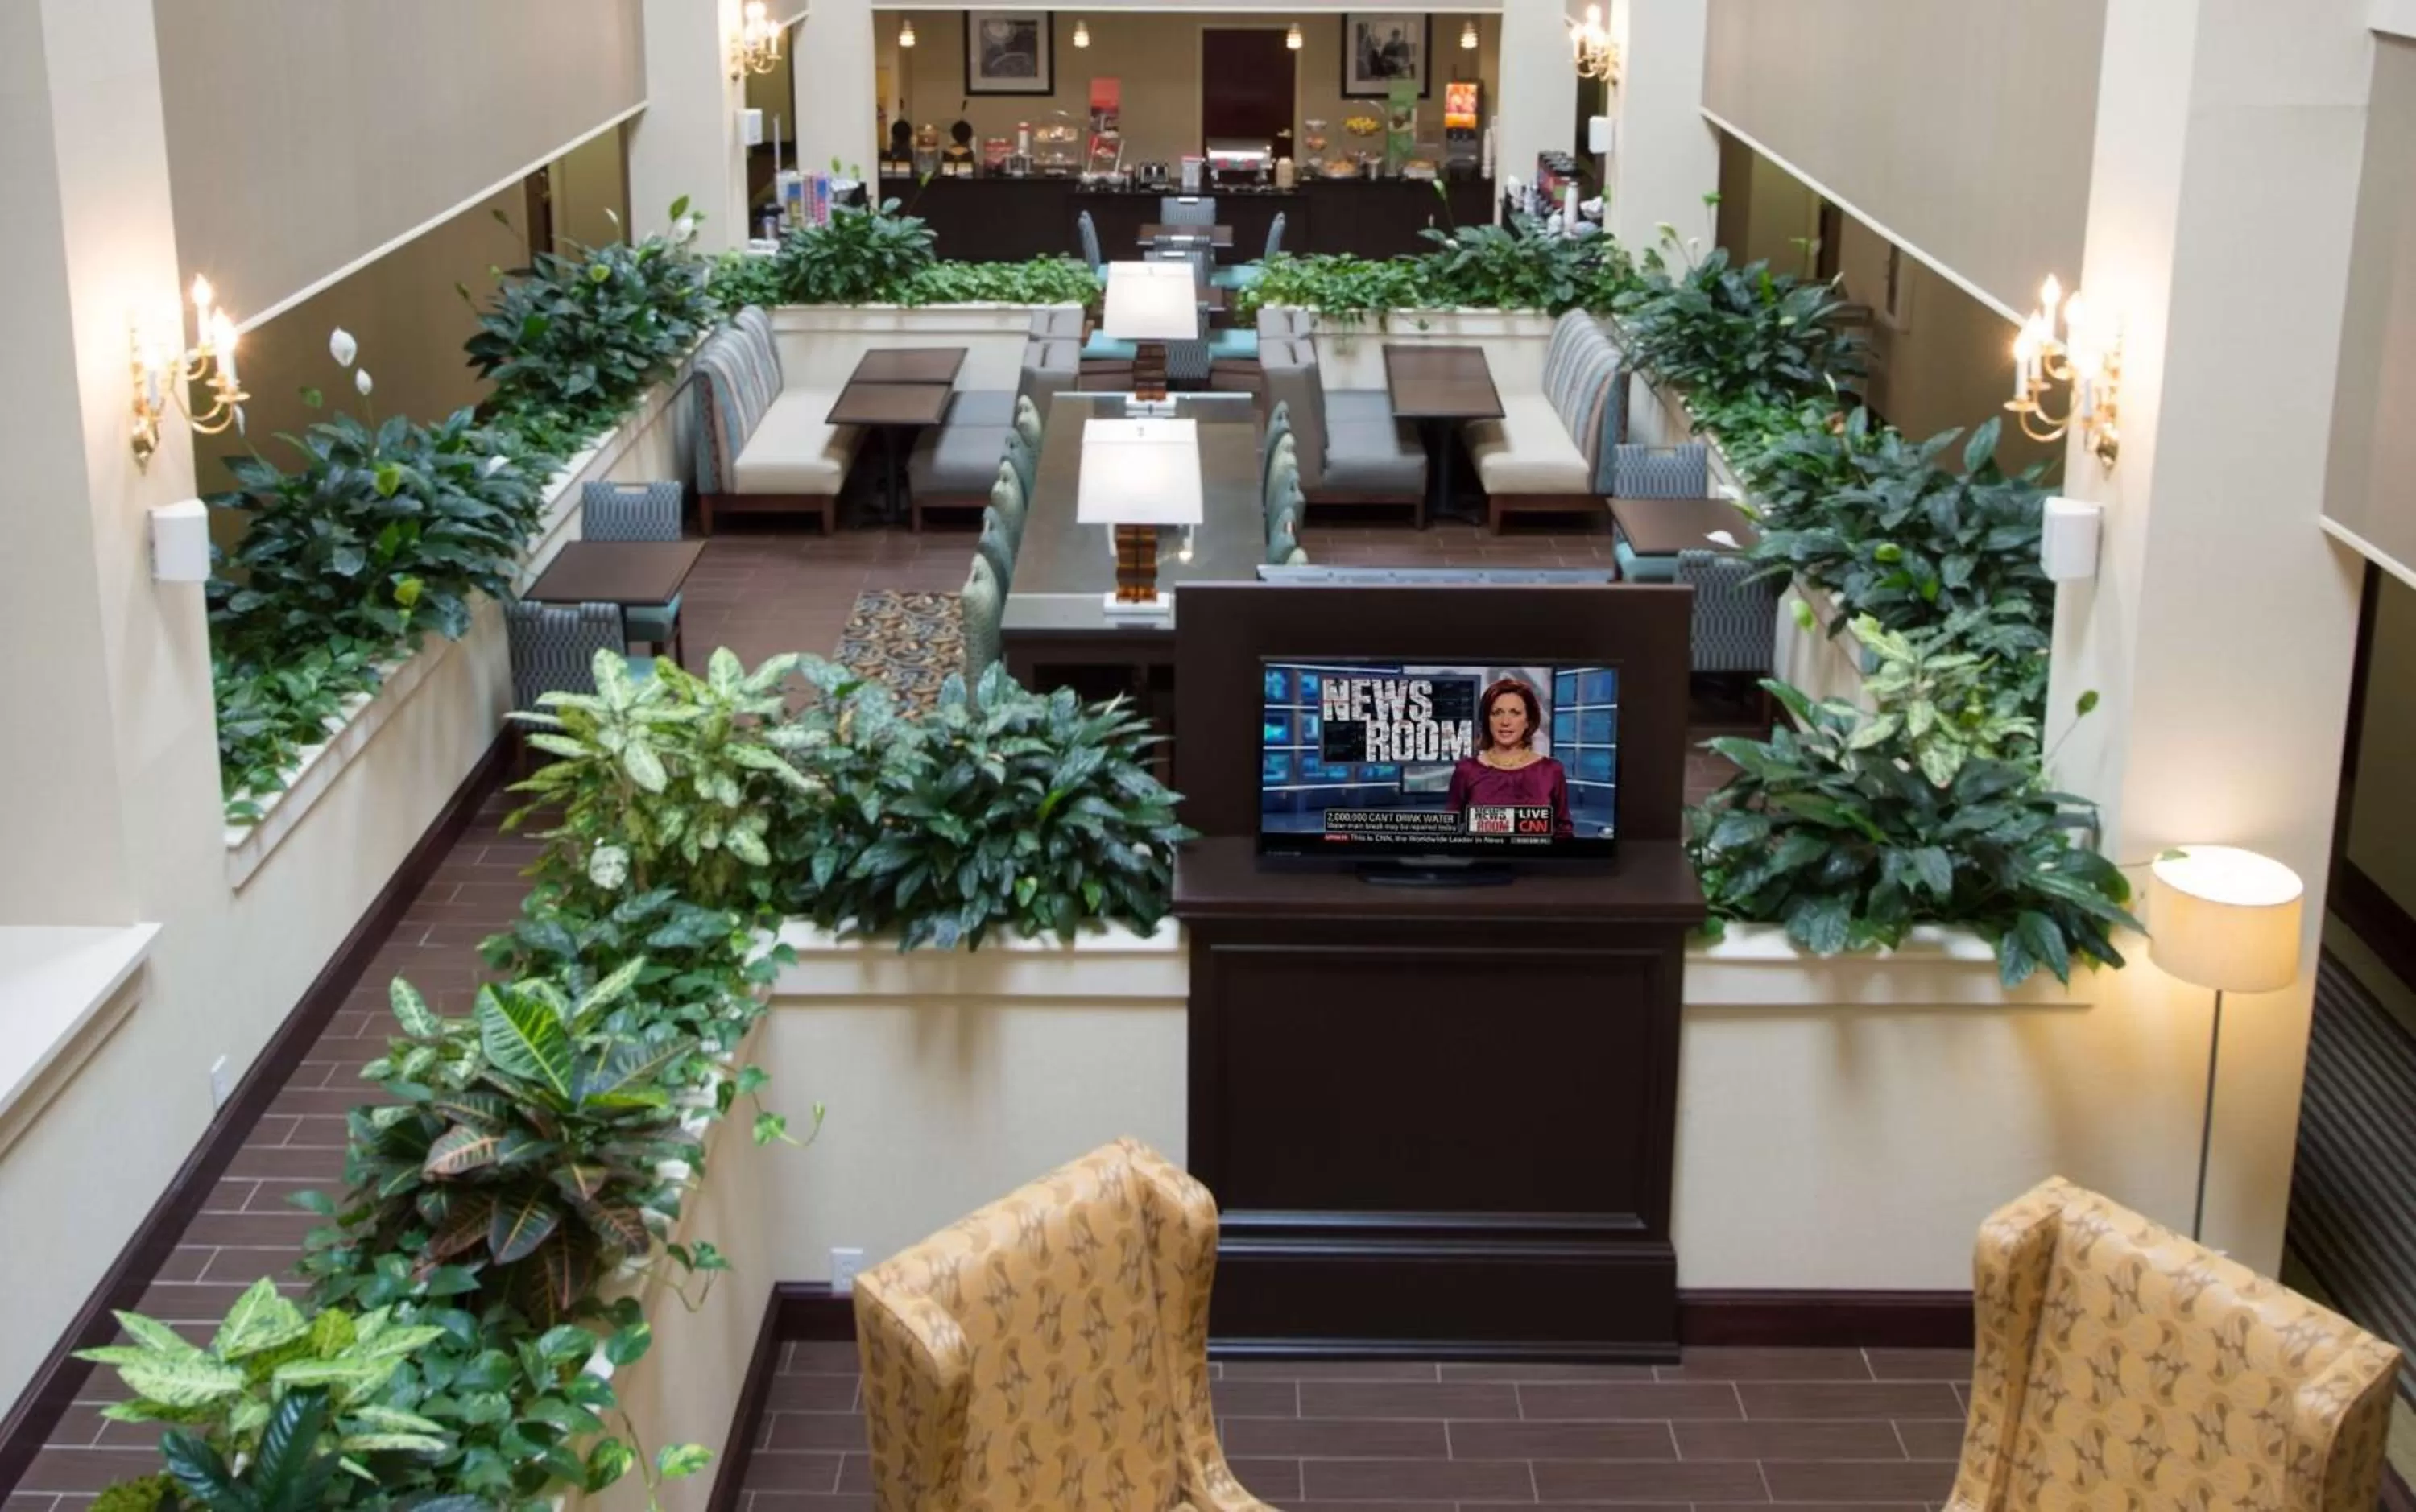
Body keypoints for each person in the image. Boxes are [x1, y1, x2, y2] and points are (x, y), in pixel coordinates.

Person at [1444, 676, 1571, 837]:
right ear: (1487, 720)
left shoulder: (1551, 771)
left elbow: (1564, 831)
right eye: (1497, 713)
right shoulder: (1466, 770)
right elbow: (1450, 831)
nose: (1505, 722)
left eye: (1515, 713)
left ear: (1528, 720)